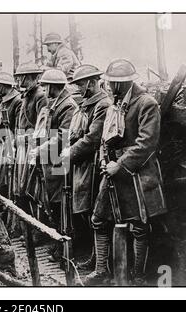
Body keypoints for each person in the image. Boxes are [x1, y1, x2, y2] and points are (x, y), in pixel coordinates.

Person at [83, 59, 167, 285]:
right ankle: (102, 271)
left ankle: (138, 276)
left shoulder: (146, 104)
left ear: (121, 84)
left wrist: (120, 164)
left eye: (111, 83)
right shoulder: (114, 104)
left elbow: (147, 143)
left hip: (136, 175)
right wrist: (103, 160)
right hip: (111, 173)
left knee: (139, 225)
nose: (108, 87)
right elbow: (104, 138)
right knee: (99, 219)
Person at [60, 65, 112, 270]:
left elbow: (92, 139)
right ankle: (95, 255)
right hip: (82, 166)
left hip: (93, 167)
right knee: (85, 212)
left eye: (81, 84)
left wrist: (70, 152)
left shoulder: (102, 104)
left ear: (92, 82)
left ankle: (102, 263)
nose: (79, 89)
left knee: (94, 212)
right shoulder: (87, 104)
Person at [28, 69, 77, 261]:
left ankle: (65, 248)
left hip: (59, 161)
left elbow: (63, 136)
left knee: (61, 205)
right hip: (50, 160)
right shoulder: (54, 103)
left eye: (46, 85)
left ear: (54, 86)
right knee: (52, 203)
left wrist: (42, 149)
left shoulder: (68, 106)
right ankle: (59, 243)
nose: (44, 88)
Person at [13, 63, 48, 215]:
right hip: (24, 145)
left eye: (22, 77)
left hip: (33, 146)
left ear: (31, 78)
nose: (20, 81)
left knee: (33, 186)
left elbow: (42, 125)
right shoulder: (27, 95)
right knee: (22, 186)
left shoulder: (40, 96)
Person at [0, 72, 22, 196]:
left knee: (10, 179)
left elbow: (18, 126)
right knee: (1, 179)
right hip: (0, 145)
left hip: (10, 146)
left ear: (4, 86)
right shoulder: (2, 101)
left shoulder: (17, 101)